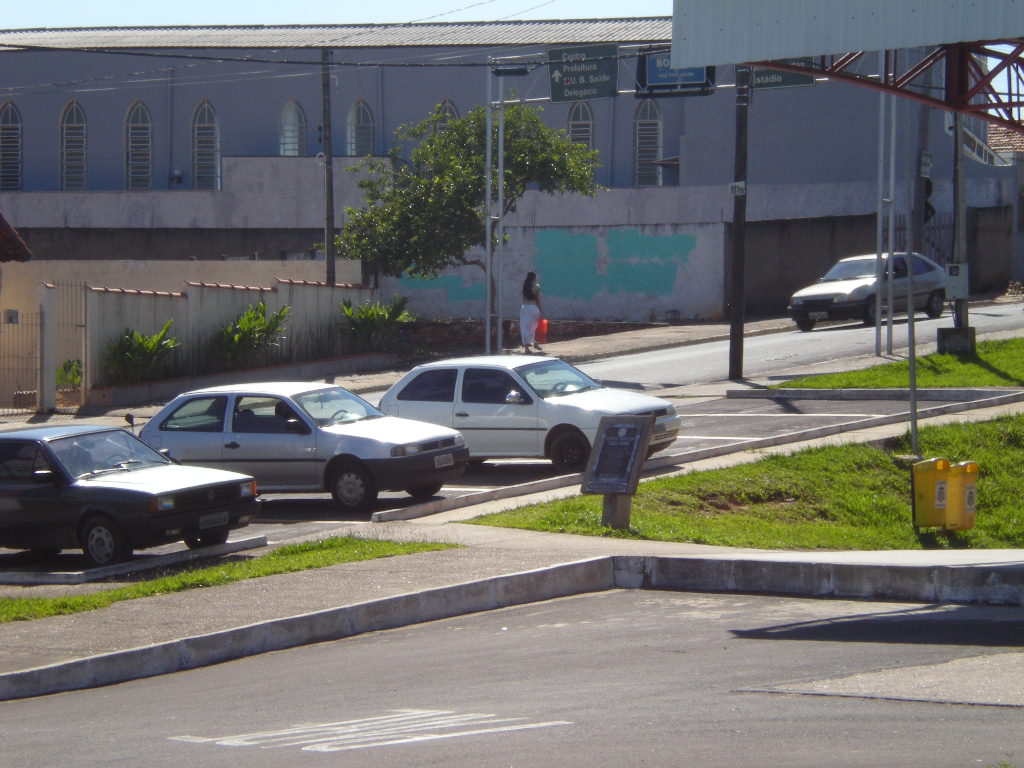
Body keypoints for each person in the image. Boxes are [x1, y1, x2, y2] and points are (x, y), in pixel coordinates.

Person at [520, 271, 544, 353]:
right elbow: (537, 300)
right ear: (534, 278)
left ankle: (527, 348)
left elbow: (523, 300)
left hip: (524, 308)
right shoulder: (536, 286)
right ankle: (535, 343)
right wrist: (541, 310)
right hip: (534, 308)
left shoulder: (525, 286)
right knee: (533, 327)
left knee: (524, 327)